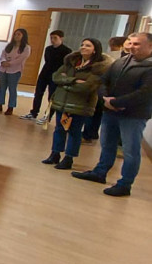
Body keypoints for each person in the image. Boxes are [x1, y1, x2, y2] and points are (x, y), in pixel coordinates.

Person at [72, 32, 152, 197]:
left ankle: (125, 184)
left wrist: (115, 102)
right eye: (131, 42)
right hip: (110, 111)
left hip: (133, 115)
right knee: (107, 144)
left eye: (137, 44)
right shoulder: (122, 61)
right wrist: (106, 99)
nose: (131, 46)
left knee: (130, 150)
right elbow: (104, 81)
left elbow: (144, 94)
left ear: (150, 46)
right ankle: (100, 172)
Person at [39, 38, 111, 170]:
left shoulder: (98, 67)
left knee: (74, 131)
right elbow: (56, 77)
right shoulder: (71, 61)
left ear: (95, 49)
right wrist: (73, 80)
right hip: (62, 102)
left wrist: (65, 83)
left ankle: (69, 158)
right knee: (59, 129)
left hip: (80, 105)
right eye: (82, 44)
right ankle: (55, 154)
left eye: (88, 46)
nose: (83, 47)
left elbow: (88, 86)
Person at [22, 30, 71, 122]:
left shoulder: (67, 51)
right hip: (44, 73)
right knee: (38, 94)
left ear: (61, 38)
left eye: (55, 38)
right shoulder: (48, 49)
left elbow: (67, 65)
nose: (52, 40)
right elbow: (47, 61)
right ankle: (33, 113)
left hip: (56, 76)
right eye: (51, 38)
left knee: (51, 97)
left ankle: (47, 116)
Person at [0, 28, 31, 115]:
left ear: (23, 36)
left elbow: (21, 59)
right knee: (2, 88)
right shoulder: (9, 46)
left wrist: (9, 63)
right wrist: (3, 61)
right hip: (3, 69)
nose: (16, 36)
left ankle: (11, 107)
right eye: (15, 34)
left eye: (19, 34)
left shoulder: (26, 48)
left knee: (12, 89)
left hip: (15, 70)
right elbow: (3, 54)